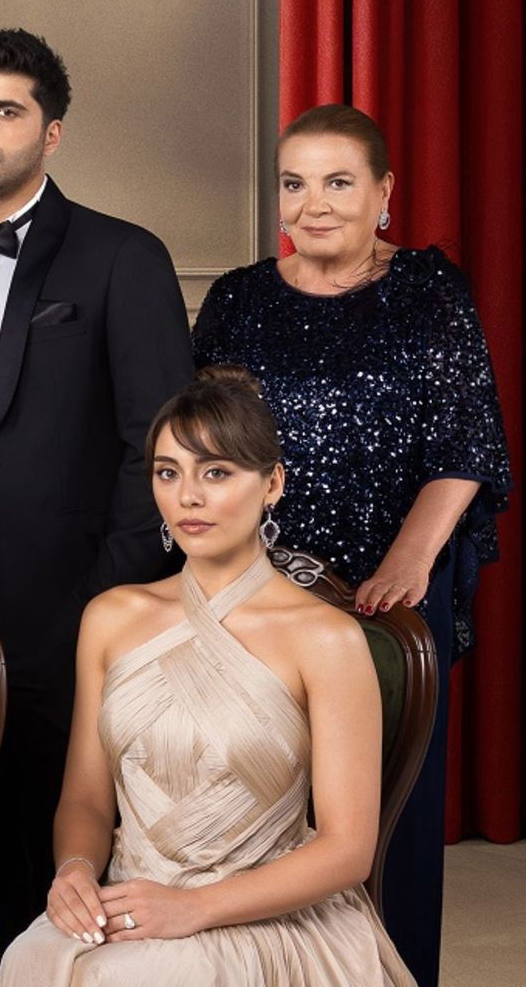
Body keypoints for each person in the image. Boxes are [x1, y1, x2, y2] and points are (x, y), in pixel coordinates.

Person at [0, 27, 194, 971]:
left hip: (69, 587)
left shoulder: (120, 255)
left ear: (50, 133)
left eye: (6, 112)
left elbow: (157, 444)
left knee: (45, 821)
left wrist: (107, 593)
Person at [191, 103, 510, 986]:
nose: (315, 204)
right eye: (295, 184)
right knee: (258, 810)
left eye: (338, 182)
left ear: (383, 192)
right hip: (258, 592)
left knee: (382, 819)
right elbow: (205, 451)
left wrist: (408, 563)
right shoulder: (238, 299)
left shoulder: (428, 292)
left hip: (391, 588)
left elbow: (465, 445)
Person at [0, 365, 417, 985]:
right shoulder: (111, 618)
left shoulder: (326, 638)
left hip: (268, 917)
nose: (187, 497)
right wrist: (76, 871)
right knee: (28, 957)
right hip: (133, 904)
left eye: (216, 472)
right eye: (168, 473)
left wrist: (193, 908)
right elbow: (85, 799)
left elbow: (348, 850)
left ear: (272, 483)